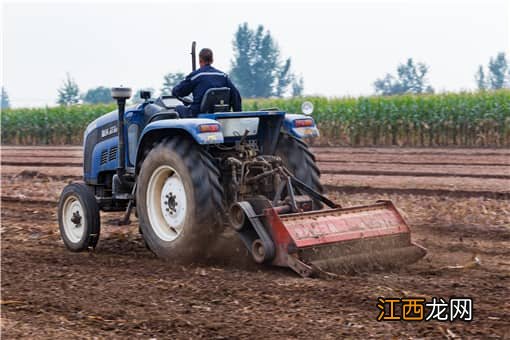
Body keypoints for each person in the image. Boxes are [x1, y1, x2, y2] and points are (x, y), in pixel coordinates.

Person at [172, 48, 242, 117]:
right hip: (220, 114)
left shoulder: (196, 76)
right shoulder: (223, 76)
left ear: (200, 60)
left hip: (197, 114)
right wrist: (236, 115)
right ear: (212, 60)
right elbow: (236, 96)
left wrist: (185, 101)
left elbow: (178, 92)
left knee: (178, 109)